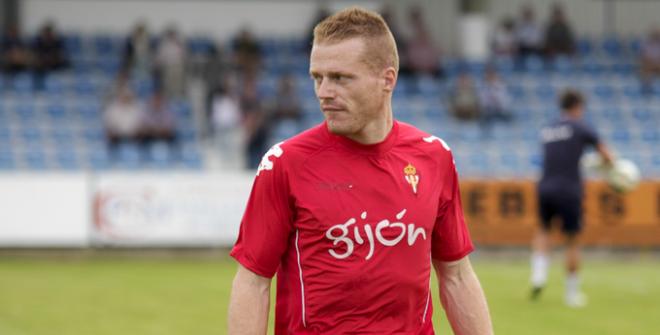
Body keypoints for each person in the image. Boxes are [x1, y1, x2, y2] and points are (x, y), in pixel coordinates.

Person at [228, 7, 492, 334]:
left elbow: (457, 276)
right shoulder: (285, 163)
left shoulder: (434, 157)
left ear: (387, 79)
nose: (324, 92)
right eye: (317, 78)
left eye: (340, 78)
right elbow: (253, 282)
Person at [531, 90, 613, 307]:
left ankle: (538, 276)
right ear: (578, 106)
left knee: (543, 231)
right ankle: (571, 293)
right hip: (569, 189)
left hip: (545, 186)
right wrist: (610, 166)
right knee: (572, 240)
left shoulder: (548, 128)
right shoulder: (580, 126)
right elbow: (606, 155)